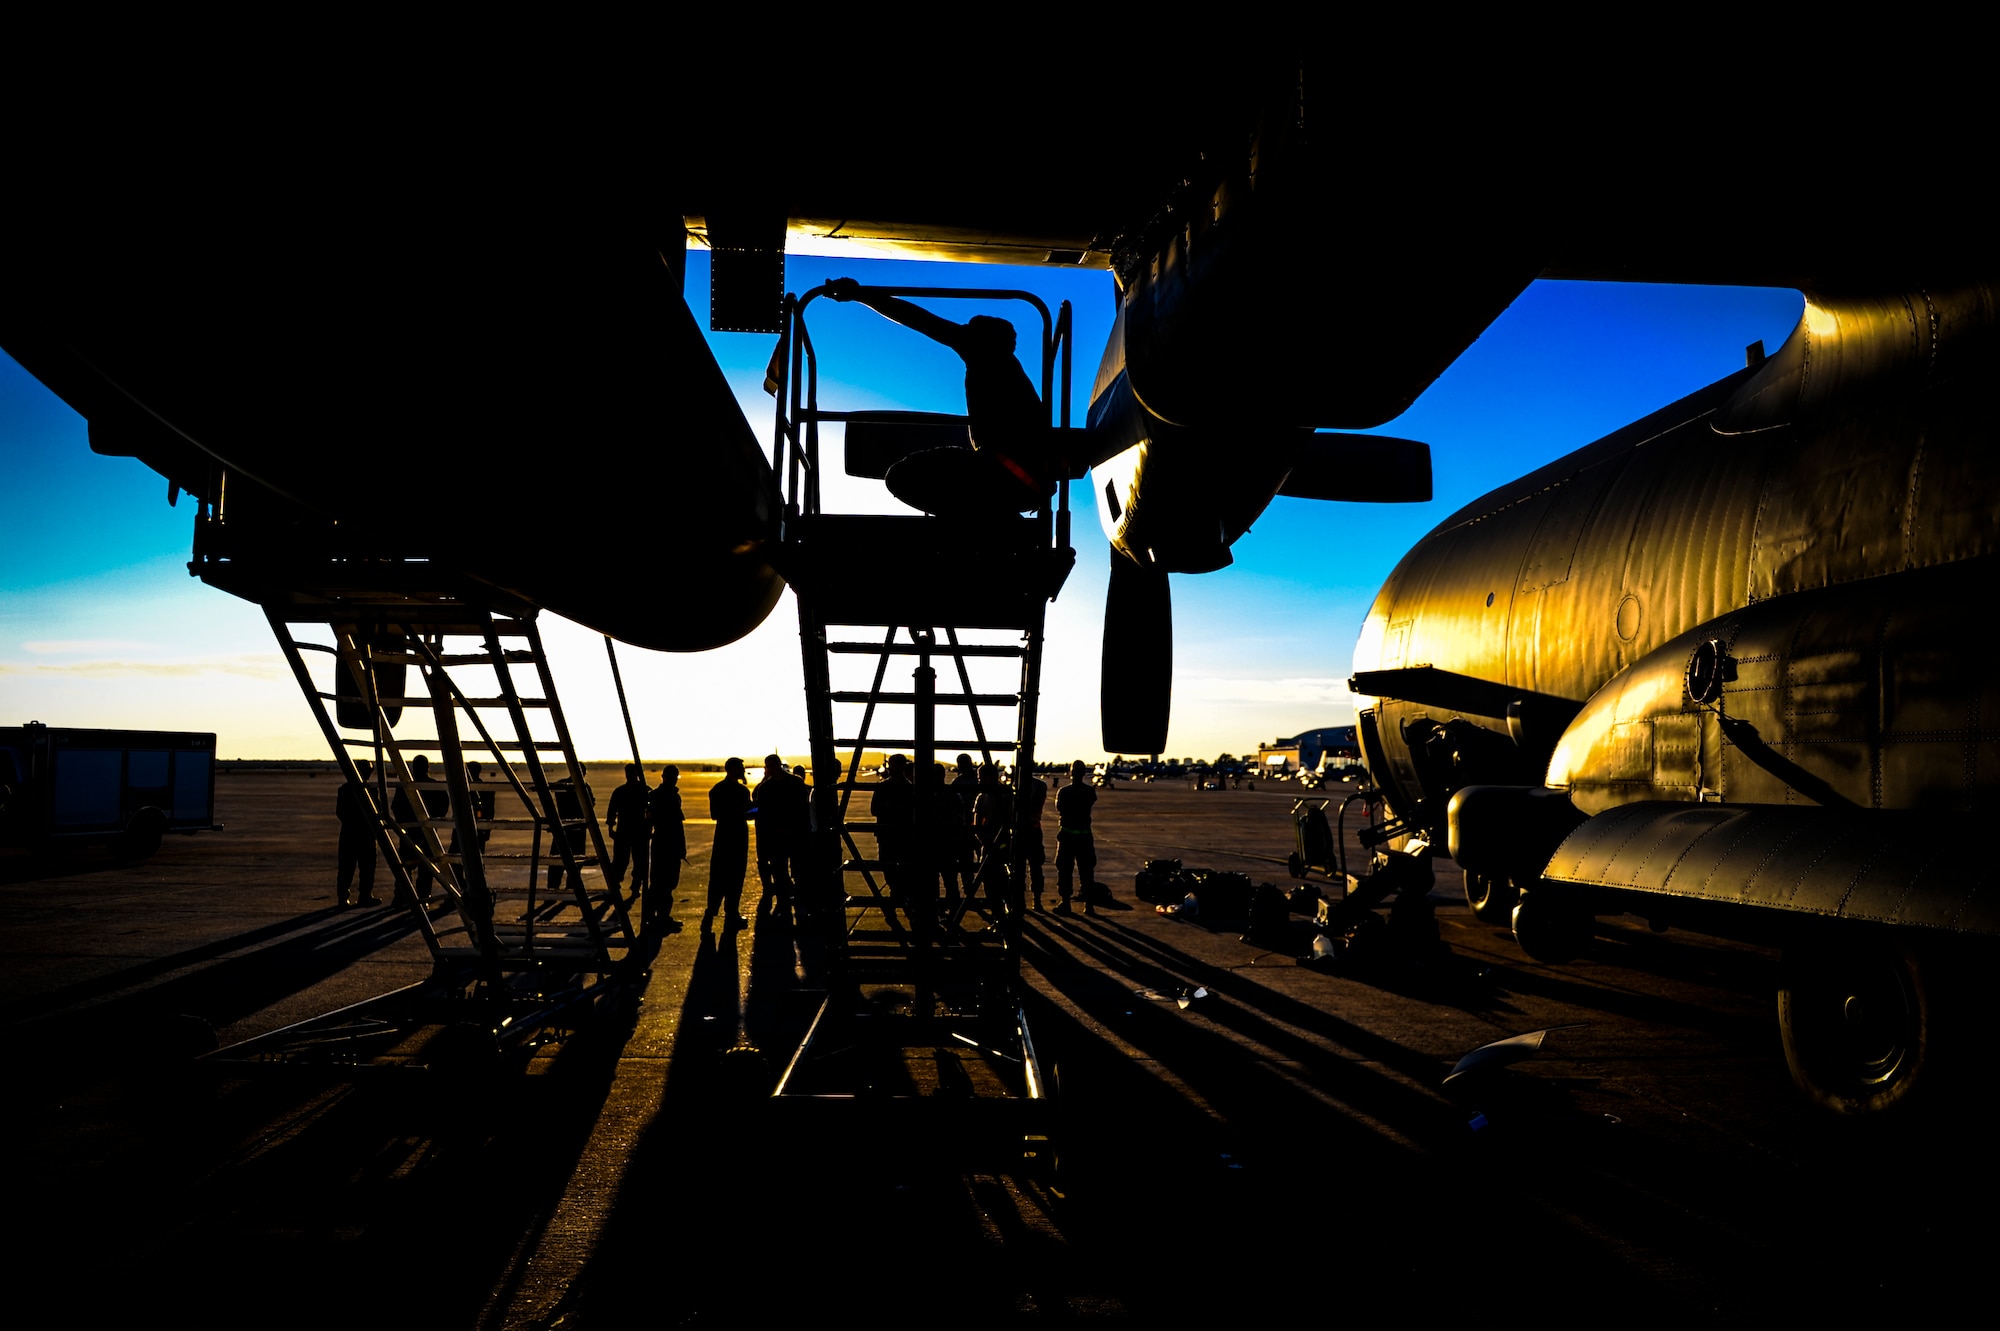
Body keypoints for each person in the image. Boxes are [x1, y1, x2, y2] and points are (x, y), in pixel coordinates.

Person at [825, 277, 1055, 517]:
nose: (962, 331)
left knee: (902, 476)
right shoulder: (1012, 375)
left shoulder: (986, 356)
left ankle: (969, 519)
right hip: (1026, 483)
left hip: (1003, 472)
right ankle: (991, 516)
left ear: (984, 338)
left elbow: (919, 319)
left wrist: (860, 294)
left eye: (968, 329)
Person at [753, 754, 806, 915]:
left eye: (772, 766)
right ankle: (785, 902)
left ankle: (799, 898)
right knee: (780, 871)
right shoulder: (765, 788)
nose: (771, 769)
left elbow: (803, 809)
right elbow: (761, 812)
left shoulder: (796, 783)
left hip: (794, 834)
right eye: (768, 767)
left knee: (798, 870)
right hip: (776, 836)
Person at [706, 757, 752, 930]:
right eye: (740, 768)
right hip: (728, 838)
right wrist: (738, 811)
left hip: (735, 838)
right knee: (722, 877)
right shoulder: (720, 790)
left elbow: (749, 811)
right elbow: (716, 814)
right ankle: (713, 911)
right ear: (731, 769)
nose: (742, 770)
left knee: (734, 877)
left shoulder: (740, 790)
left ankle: (728, 913)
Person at [871, 754, 914, 921]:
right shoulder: (907, 788)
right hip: (891, 835)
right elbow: (874, 810)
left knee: (900, 872)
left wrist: (889, 809)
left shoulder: (902, 788)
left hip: (897, 836)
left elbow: (876, 809)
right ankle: (898, 899)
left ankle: (896, 900)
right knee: (890, 872)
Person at [1054, 759, 1098, 916]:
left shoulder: (1064, 792)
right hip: (1084, 835)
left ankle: (1066, 902)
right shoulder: (1089, 791)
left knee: (1065, 870)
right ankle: (1089, 905)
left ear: (1071, 772)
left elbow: (1059, 808)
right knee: (1086, 871)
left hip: (1067, 835)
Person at [335, 761, 381, 907]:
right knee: (362, 867)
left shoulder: (345, 789)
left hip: (351, 833)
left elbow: (340, 812)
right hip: (363, 833)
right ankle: (361, 895)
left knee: (351, 867)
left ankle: (347, 897)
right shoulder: (369, 790)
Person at [649, 764, 686, 929]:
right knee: (662, 882)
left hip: (668, 841)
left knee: (665, 882)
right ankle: (658, 917)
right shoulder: (659, 796)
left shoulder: (666, 795)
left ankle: (658, 916)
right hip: (665, 841)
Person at [606, 763, 651, 893]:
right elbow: (612, 810)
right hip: (625, 831)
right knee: (620, 861)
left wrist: (649, 828)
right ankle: (616, 883)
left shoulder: (644, 791)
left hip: (638, 831)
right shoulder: (621, 791)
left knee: (639, 861)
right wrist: (610, 827)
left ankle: (636, 884)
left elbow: (651, 811)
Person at [1019, 764, 1048, 910]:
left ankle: (1023, 901)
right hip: (1033, 829)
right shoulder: (1040, 786)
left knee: (1021, 868)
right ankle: (1036, 901)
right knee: (1035, 867)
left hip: (1024, 830)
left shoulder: (1014, 786)